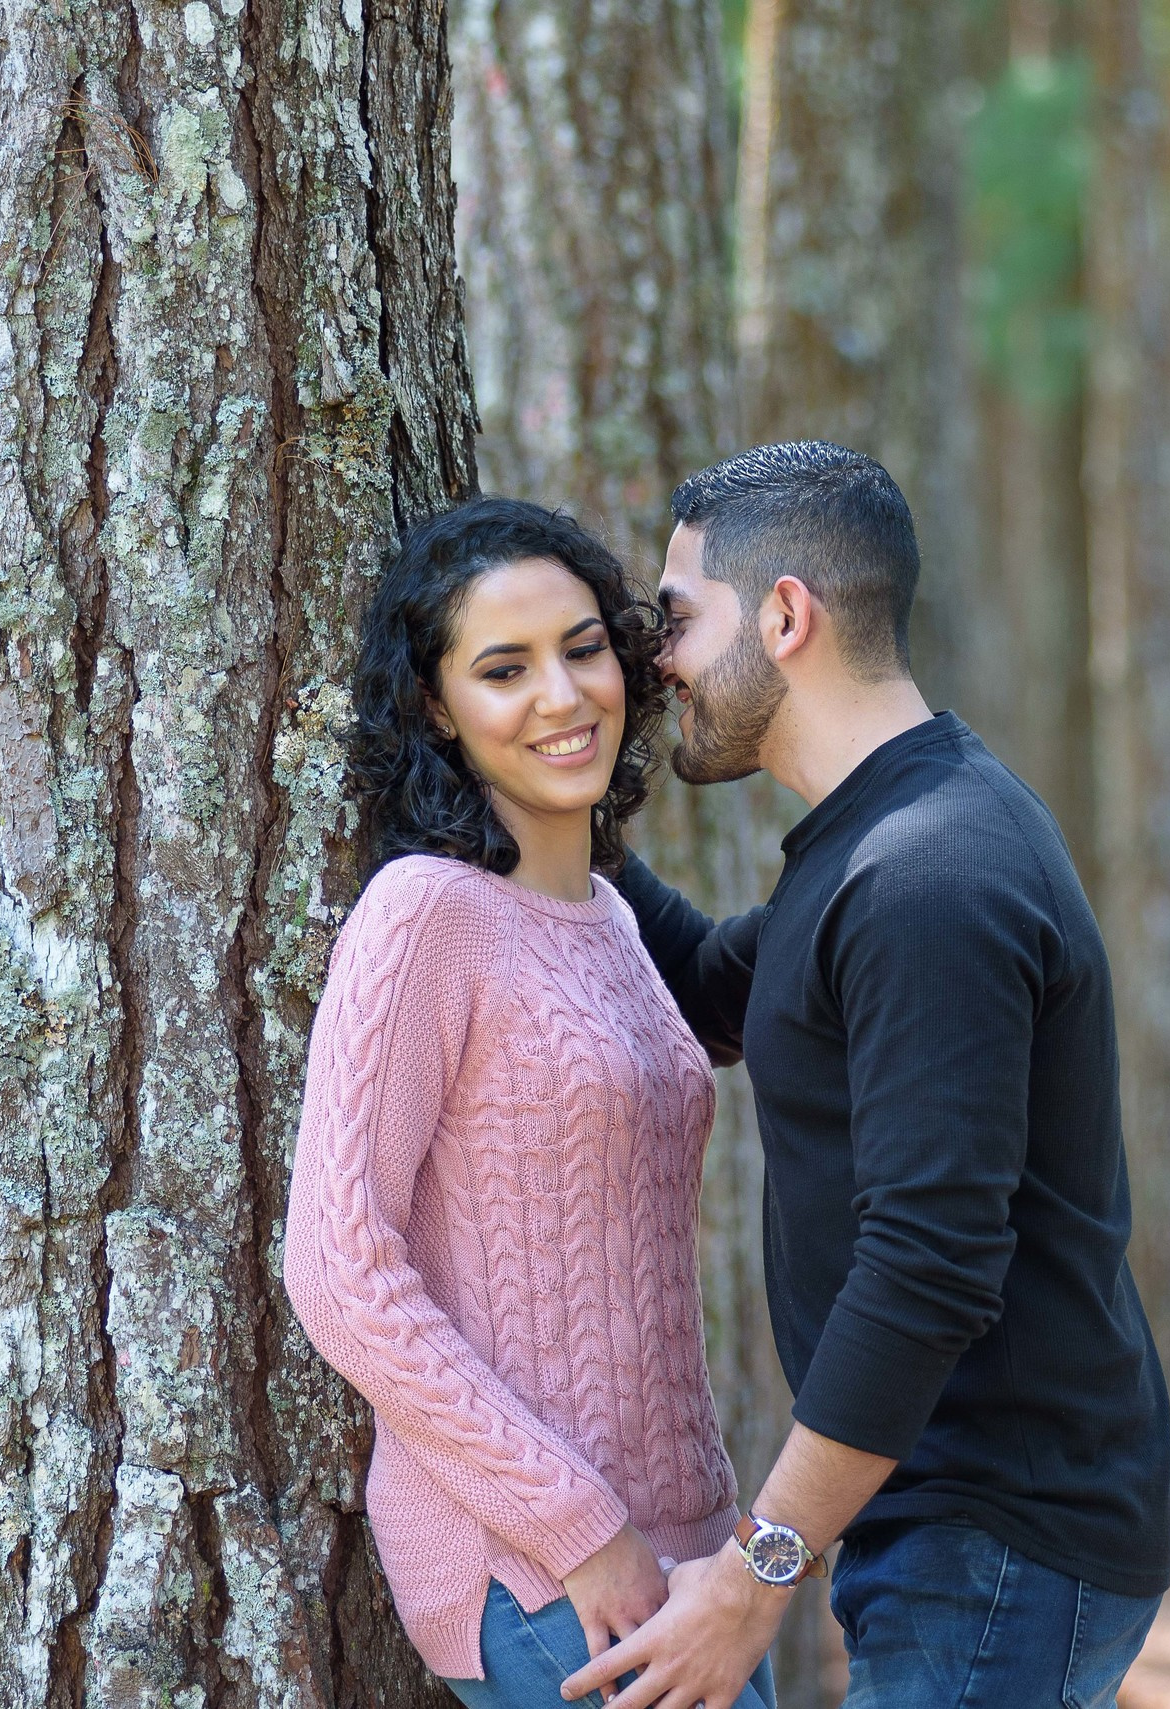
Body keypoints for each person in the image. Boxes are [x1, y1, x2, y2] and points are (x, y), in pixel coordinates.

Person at [559, 442, 1170, 1709]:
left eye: (674, 620)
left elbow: (929, 1261)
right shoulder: (878, 840)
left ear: (784, 614)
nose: (654, 660)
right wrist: (542, 779)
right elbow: (704, 988)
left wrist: (756, 1570)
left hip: (1001, 1534)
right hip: (967, 1521)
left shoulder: (926, 877)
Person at [282, 496, 778, 1709]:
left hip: (682, 1548)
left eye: (582, 647)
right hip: (539, 1564)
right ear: (438, 709)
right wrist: (575, 1526)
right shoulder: (425, 916)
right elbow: (338, 1267)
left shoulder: (610, 920)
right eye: (504, 669)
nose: (561, 695)